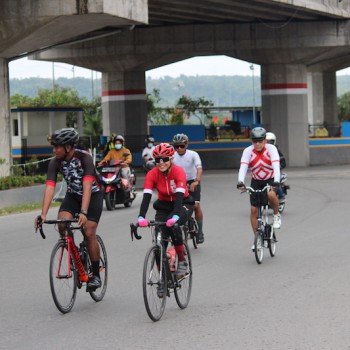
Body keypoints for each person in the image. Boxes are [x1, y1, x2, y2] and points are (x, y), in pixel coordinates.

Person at [34, 128, 103, 290]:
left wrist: (84, 212)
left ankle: (96, 275)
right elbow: (50, 188)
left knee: (88, 231)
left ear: (68, 147)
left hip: (92, 196)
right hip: (73, 196)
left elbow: (87, 185)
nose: (54, 150)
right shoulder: (55, 162)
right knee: (62, 224)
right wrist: (43, 215)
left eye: (57, 146)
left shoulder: (84, 158)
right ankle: (76, 257)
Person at [137, 143, 194, 278]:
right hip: (163, 205)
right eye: (158, 160)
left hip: (183, 203)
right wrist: (141, 217)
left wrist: (175, 216)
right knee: (158, 242)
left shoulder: (178, 171)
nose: (161, 163)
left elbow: (179, 198)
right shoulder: (152, 174)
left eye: (165, 159)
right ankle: (163, 279)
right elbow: (146, 197)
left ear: (171, 159)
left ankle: (182, 261)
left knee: (174, 226)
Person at [236, 127, 281, 251]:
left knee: (271, 195)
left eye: (260, 141)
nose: (257, 144)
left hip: (270, 179)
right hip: (256, 181)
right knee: (253, 210)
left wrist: (276, 181)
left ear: (265, 140)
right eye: (255, 141)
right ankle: (258, 239)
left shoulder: (271, 149)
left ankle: (277, 215)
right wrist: (240, 181)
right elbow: (243, 167)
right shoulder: (248, 151)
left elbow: (276, 167)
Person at [172, 133, 205, 244]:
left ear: (186, 145)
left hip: (192, 182)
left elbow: (199, 169)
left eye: (181, 146)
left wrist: (196, 181)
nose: (179, 149)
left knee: (195, 205)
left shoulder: (193, 154)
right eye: (176, 146)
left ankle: (200, 231)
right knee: (177, 205)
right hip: (179, 183)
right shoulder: (172, 156)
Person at [266, 132, 286, 202]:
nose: (268, 144)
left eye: (270, 141)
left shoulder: (277, 151)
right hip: (266, 171)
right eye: (266, 141)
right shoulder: (262, 151)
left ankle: (281, 196)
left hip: (276, 171)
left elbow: (283, 162)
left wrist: (278, 167)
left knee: (276, 182)